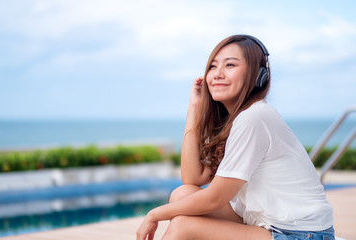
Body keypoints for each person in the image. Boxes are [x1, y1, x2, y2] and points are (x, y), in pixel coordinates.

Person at [136, 34, 335, 240]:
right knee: (182, 194)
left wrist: (154, 214)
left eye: (230, 65)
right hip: (267, 226)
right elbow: (193, 178)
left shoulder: (254, 117)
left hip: (303, 234)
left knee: (183, 226)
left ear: (258, 76)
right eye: (213, 66)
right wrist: (194, 108)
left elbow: (215, 198)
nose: (217, 74)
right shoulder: (237, 119)